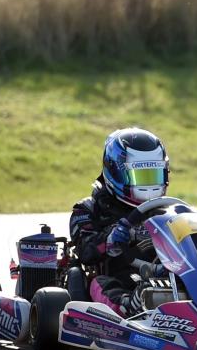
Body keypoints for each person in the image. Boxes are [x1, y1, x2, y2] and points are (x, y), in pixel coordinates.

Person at [69, 128, 170, 318]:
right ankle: (128, 306)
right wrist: (110, 238)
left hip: (163, 277)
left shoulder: (165, 211)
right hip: (118, 280)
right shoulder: (89, 209)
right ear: (115, 170)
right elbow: (85, 252)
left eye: (153, 175)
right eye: (141, 176)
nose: (148, 185)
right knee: (99, 282)